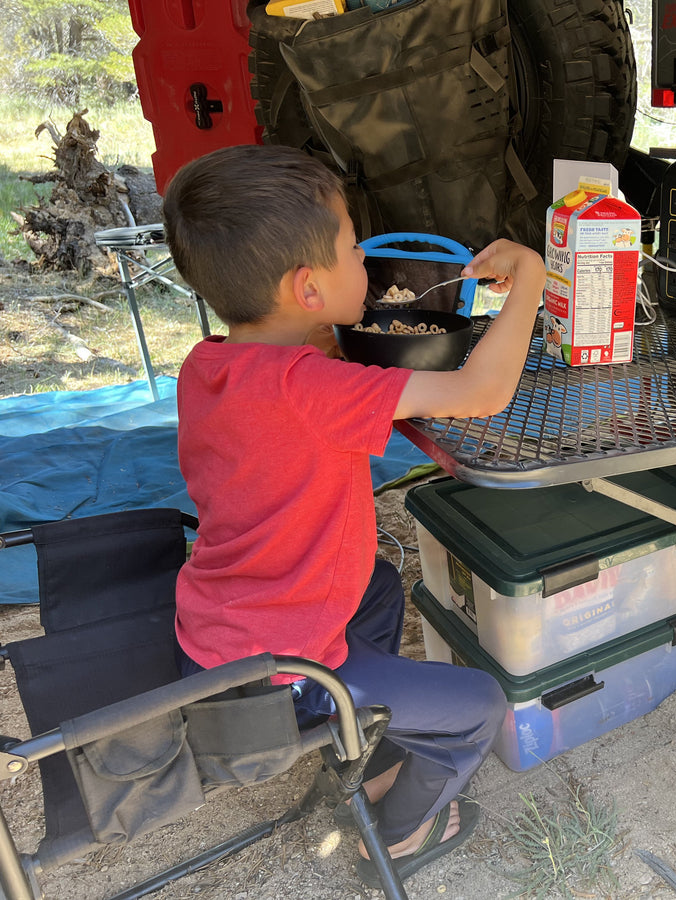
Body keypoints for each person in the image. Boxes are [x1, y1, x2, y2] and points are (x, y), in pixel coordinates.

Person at [161, 143, 545, 886]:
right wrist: (527, 278)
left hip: (216, 631)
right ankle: (396, 836)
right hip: (274, 678)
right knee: (481, 705)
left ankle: (364, 750)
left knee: (375, 585)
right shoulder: (311, 389)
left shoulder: (209, 364)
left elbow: (303, 399)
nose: (365, 265)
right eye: (351, 249)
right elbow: (483, 390)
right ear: (308, 289)